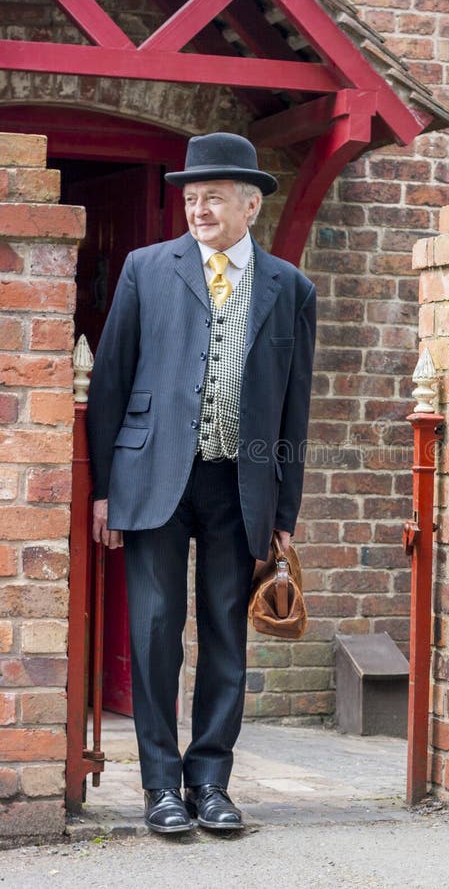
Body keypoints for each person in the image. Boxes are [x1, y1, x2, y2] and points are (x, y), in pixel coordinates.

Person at [87, 133, 316, 835]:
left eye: (213, 196)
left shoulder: (289, 287)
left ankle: (210, 781)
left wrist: (285, 509)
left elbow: (294, 405)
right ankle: (160, 787)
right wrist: (104, 488)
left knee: (225, 634)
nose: (198, 208)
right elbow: (111, 381)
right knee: (156, 632)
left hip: (237, 484)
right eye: (190, 198)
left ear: (250, 203)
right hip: (151, 477)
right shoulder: (145, 269)